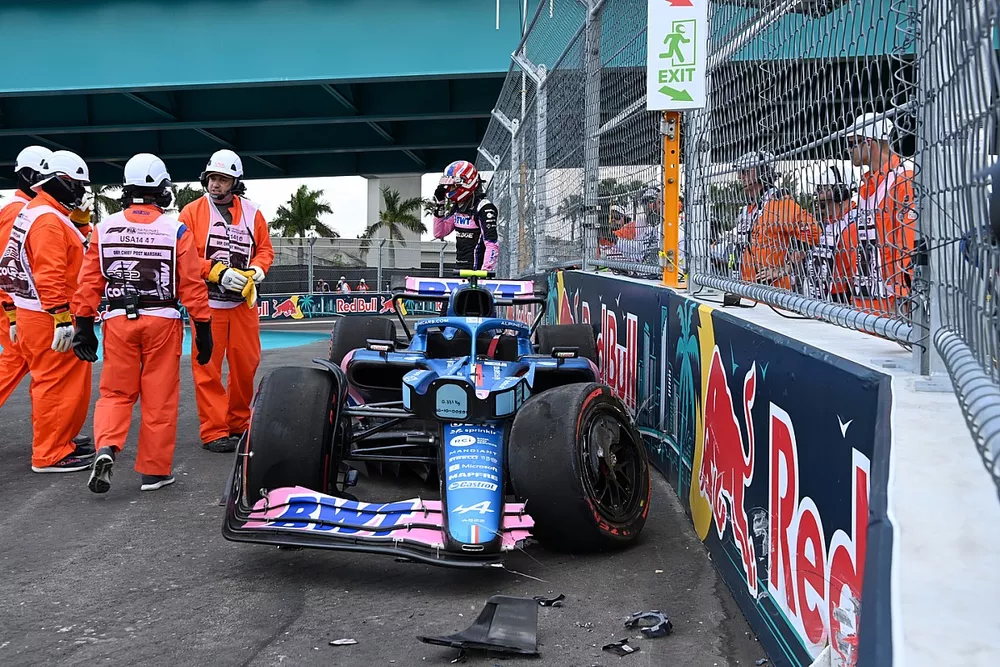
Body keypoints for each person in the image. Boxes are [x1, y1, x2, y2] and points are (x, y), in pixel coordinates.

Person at [72, 153, 215, 493]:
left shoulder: (103, 229)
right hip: (161, 320)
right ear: (162, 192)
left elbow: (89, 282)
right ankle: (154, 472)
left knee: (115, 393)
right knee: (159, 398)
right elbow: (193, 285)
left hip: (117, 320)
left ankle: (107, 446)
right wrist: (204, 329)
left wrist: (82, 325)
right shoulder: (175, 229)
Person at [0, 150, 96, 472]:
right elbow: (49, 272)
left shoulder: (38, 212)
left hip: (35, 313)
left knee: (56, 382)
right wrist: (61, 317)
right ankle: (50, 452)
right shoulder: (47, 221)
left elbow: (14, 266)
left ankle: (59, 439)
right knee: (56, 383)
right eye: (79, 186)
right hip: (49, 315)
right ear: (63, 182)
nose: (82, 194)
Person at [178, 149, 274, 454]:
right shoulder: (190, 213)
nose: (216, 184)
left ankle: (239, 423)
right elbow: (185, 256)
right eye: (212, 178)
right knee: (207, 369)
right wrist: (215, 272)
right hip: (208, 306)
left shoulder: (253, 213)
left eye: (223, 179)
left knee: (246, 366)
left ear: (235, 182)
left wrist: (258, 268)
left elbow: (265, 249)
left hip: (243, 305)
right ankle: (214, 431)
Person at [843, 112, 918, 316]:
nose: (848, 151)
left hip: (894, 305)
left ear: (869, 142)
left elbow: (908, 244)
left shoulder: (903, 179)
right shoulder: (867, 186)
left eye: (852, 144)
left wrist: (906, 296)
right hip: (867, 300)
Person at [0, 146, 51, 408]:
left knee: (34, 365)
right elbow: (8, 264)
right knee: (18, 360)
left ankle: (53, 434)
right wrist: (11, 310)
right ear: (31, 176)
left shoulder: (25, 207)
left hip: (16, 301)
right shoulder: (18, 210)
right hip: (13, 301)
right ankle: (52, 438)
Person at [732, 150, 819, 291]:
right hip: (747, 288)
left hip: (772, 292)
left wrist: (785, 268)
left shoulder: (779, 204)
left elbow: (813, 230)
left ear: (761, 172)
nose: (740, 177)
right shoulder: (751, 207)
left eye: (745, 172)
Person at [431, 160, 499, 271]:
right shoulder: (459, 207)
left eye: (453, 186)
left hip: (477, 273)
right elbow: (439, 233)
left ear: (467, 182)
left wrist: (485, 272)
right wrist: (440, 204)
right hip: (459, 271)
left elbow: (492, 244)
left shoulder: (484, 208)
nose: (449, 190)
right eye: (448, 186)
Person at [805, 165, 858, 303]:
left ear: (839, 191)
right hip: (823, 297)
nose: (817, 194)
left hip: (843, 298)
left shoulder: (853, 225)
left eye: (822, 188)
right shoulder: (828, 224)